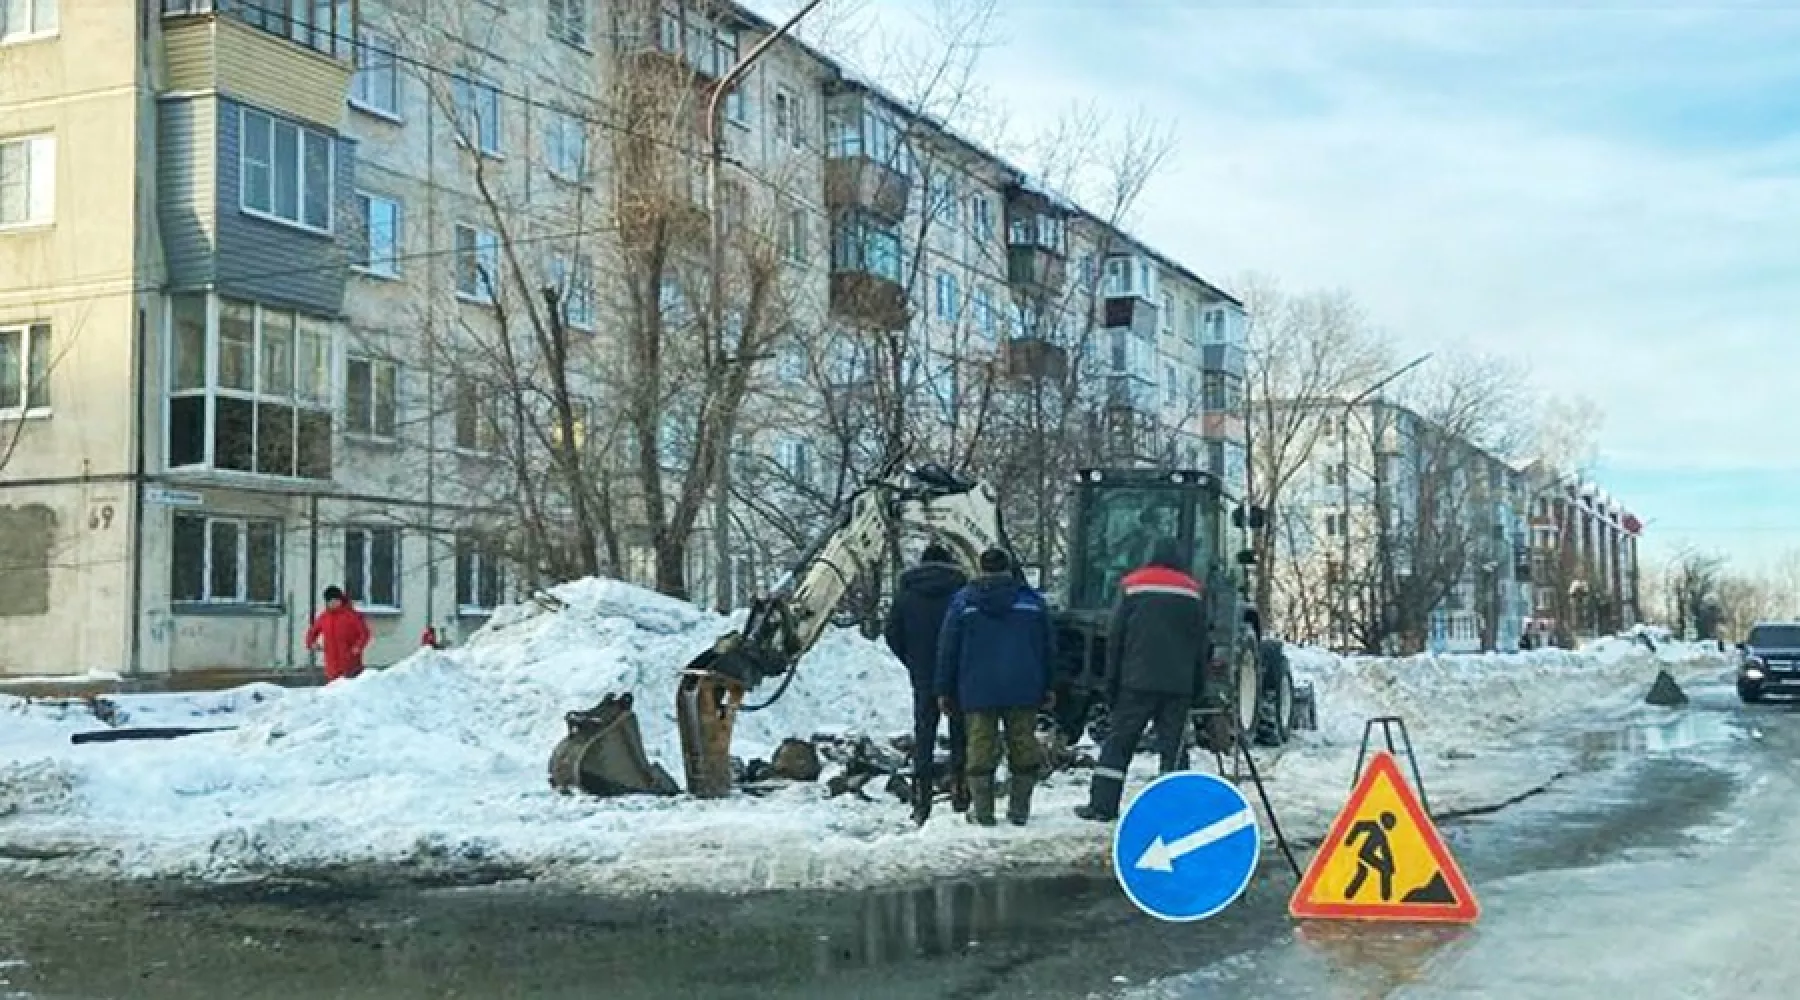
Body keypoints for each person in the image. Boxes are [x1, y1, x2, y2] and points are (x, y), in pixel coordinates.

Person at [1077, 537, 1208, 822]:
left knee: (1119, 745)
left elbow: (1116, 638)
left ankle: (1103, 806)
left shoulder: (1132, 585)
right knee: (1173, 749)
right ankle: (1176, 811)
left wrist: (1111, 683)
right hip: (1178, 685)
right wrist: (1198, 685)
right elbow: (1201, 644)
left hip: (1136, 682)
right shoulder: (1193, 591)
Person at [935, 547, 1054, 827]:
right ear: (1009, 568)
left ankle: (983, 811)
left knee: (979, 749)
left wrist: (944, 689)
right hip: (1023, 687)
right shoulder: (1032, 602)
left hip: (977, 689)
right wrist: (1049, 685)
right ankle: (1019, 810)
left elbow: (947, 649)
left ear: (980, 568)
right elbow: (1049, 648)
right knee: (1023, 746)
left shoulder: (963, 603)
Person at [883, 542, 971, 825]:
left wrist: (912, 659)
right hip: (957, 673)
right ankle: (961, 791)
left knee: (924, 733)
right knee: (960, 732)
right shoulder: (961, 592)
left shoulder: (907, 594)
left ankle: (922, 800)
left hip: (922, 673)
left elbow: (891, 632)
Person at [305, 585, 371, 683]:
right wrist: (312, 643)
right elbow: (312, 633)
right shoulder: (324, 617)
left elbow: (364, 633)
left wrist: (358, 646)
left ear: (341, 600)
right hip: (331, 666)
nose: (333, 603)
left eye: (335, 600)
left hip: (351, 663)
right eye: (330, 601)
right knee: (334, 693)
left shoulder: (353, 616)